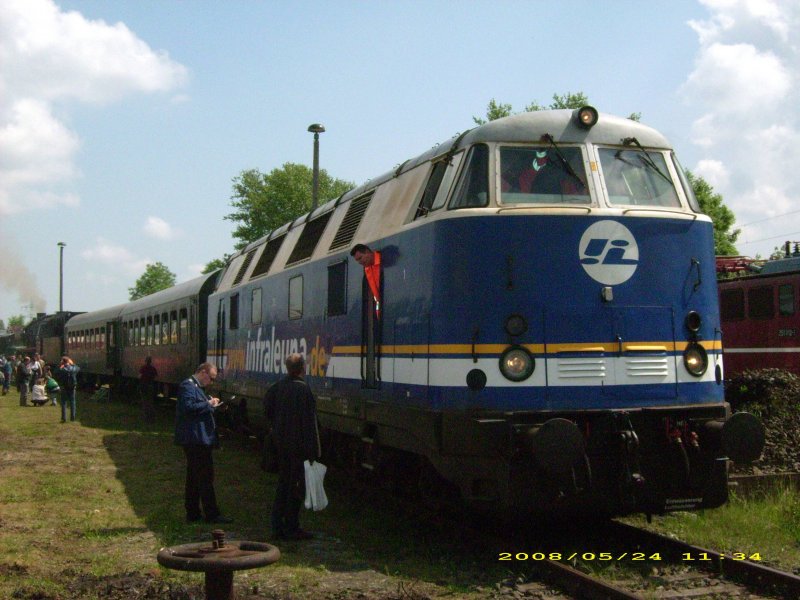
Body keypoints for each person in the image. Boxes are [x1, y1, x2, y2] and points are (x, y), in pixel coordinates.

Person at [263, 353, 320, 540]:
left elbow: (267, 411)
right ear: (303, 369)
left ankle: (276, 525)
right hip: (299, 447)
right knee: (295, 488)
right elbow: (310, 424)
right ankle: (292, 526)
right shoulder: (304, 391)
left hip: (281, 445)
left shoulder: (277, 387)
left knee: (282, 485)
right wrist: (313, 452)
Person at [174, 362, 231, 524]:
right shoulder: (188, 386)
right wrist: (209, 404)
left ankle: (193, 513)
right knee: (205, 477)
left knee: (193, 477)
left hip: (197, 439)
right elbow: (189, 407)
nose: (211, 382)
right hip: (196, 440)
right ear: (203, 372)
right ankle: (212, 514)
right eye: (211, 378)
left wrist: (210, 403)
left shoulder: (196, 388)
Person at [350, 243, 382, 319]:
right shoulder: (367, 269)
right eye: (357, 260)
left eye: (360, 258)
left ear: (367, 252)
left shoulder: (382, 261)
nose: (359, 262)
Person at [55, 356, 80, 422]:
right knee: (72, 402)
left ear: (62, 362)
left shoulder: (61, 369)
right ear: (69, 361)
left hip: (64, 387)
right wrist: (72, 363)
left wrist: (60, 365)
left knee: (63, 402)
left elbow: (56, 373)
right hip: (72, 387)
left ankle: (64, 418)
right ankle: (73, 417)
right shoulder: (74, 368)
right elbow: (78, 368)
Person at [139, 356, 158, 423]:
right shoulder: (153, 368)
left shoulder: (143, 367)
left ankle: (145, 417)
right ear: (150, 361)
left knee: (144, 402)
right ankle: (152, 417)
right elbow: (155, 376)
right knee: (150, 401)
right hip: (150, 385)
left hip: (144, 385)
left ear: (146, 361)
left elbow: (140, 376)